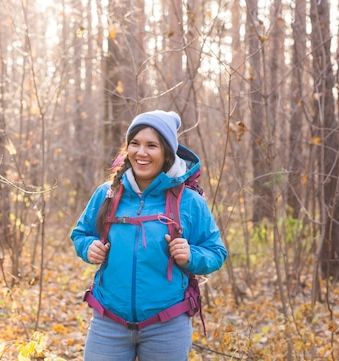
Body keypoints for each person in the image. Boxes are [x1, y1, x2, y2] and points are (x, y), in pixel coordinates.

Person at [71, 110, 227, 361]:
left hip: (167, 325)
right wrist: (88, 246)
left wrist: (191, 255)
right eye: (135, 143)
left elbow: (216, 252)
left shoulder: (188, 201)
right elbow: (81, 233)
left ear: (166, 152)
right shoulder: (107, 194)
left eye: (151, 145)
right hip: (108, 323)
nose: (141, 152)